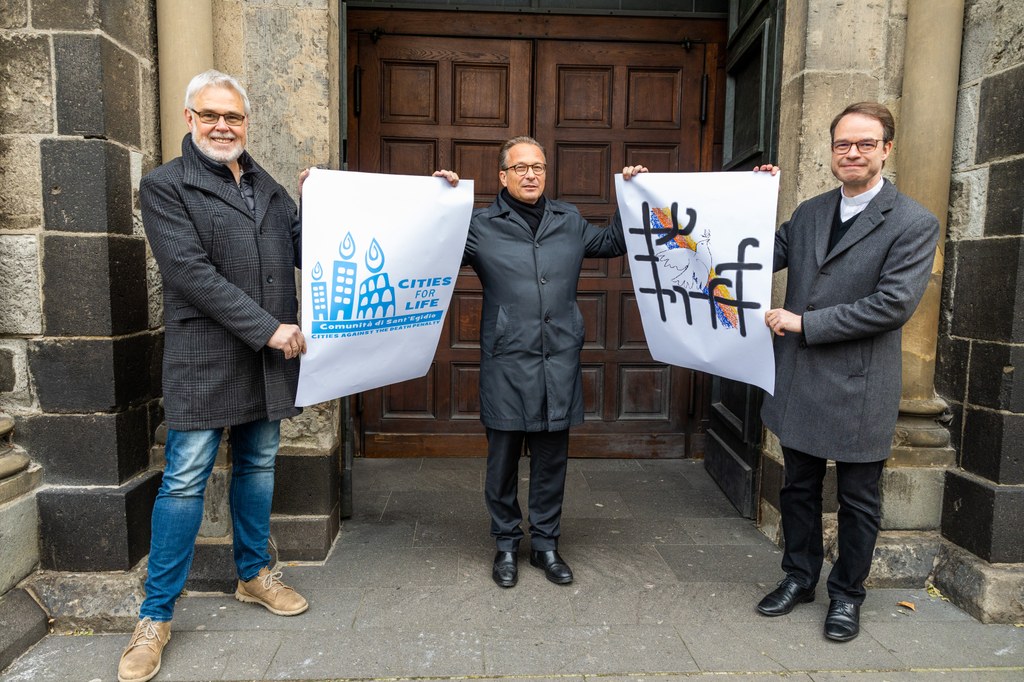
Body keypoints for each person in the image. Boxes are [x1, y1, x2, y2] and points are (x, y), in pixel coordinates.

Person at [118, 70, 308, 682]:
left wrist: (330, 199)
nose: (223, 126)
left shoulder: (270, 187)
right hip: (207, 357)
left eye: (234, 117)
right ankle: (155, 617)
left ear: (247, 123)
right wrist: (270, 328)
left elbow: (312, 245)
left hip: (265, 360)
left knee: (258, 465)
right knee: (184, 481)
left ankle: (254, 575)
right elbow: (191, 274)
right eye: (211, 116)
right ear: (189, 117)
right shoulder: (165, 186)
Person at [755, 102, 939, 642]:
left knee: (859, 500)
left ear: (886, 148)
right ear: (832, 151)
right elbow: (758, 253)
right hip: (800, 379)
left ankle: (847, 596)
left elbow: (892, 305)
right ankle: (798, 577)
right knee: (798, 489)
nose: (852, 152)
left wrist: (803, 322)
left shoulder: (912, 221)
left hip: (860, 384)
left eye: (864, 143)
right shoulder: (810, 212)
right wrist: (754, 203)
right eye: (842, 144)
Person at [434, 138, 647, 588]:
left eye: (538, 167)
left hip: (559, 361)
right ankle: (507, 545)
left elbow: (611, 242)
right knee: (503, 461)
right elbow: (426, 240)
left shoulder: (568, 220)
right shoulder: (480, 225)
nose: (530, 175)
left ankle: (547, 545)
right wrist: (438, 198)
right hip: (508, 362)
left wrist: (635, 195)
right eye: (521, 168)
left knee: (552, 460)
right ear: (503, 176)